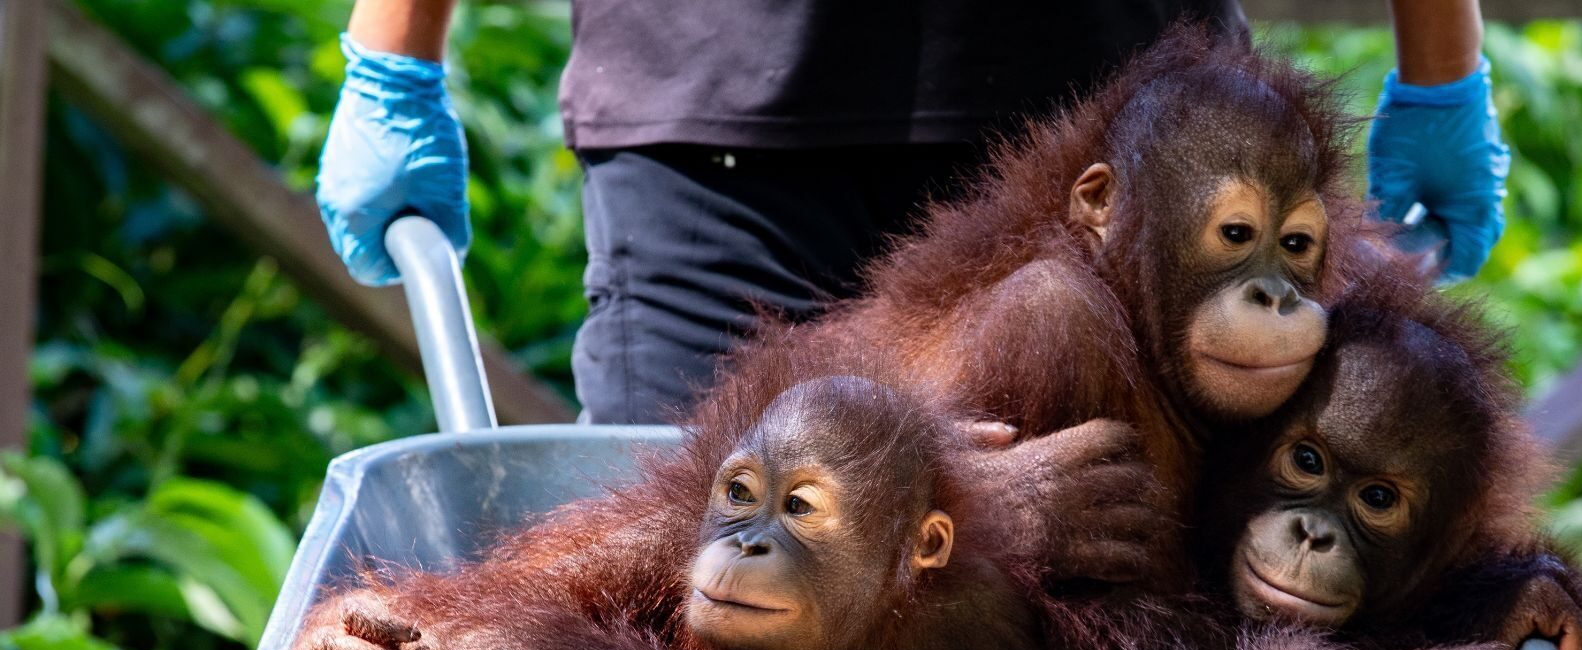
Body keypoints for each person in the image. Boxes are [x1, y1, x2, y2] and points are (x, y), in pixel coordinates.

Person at [315, 1, 1509, 425]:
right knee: (695, 591)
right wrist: (394, 52)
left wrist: (1441, 60)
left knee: (1111, 601)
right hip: (720, 101)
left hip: (1122, 126)